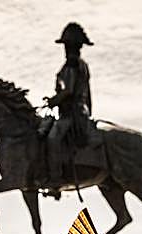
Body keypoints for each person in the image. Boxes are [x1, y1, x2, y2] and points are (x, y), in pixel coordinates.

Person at [44, 22, 94, 188]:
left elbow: (68, 91)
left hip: (72, 114)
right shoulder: (82, 65)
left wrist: (53, 101)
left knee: (52, 139)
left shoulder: (72, 64)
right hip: (80, 111)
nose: (66, 49)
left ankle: (55, 178)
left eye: (67, 45)